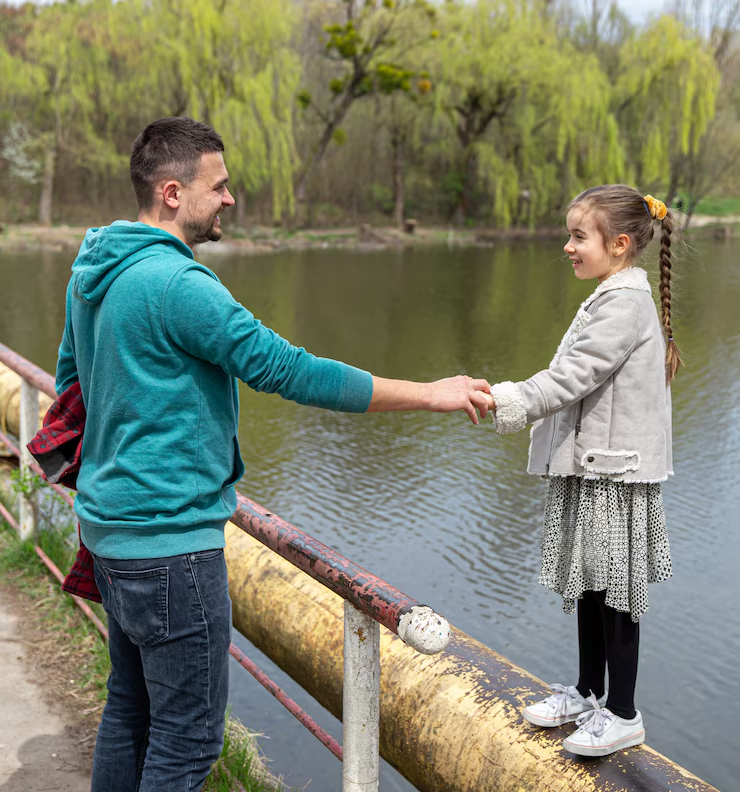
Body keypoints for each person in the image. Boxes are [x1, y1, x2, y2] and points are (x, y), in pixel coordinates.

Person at [54, 116, 492, 792]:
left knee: (130, 711)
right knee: (187, 743)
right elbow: (292, 371)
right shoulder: (180, 286)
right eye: (219, 187)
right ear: (172, 193)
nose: (230, 198)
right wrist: (432, 393)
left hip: (110, 533)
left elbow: (69, 385)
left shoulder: (94, 271)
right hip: (171, 548)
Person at [485, 185, 676, 757]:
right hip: (594, 469)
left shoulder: (624, 304)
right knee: (592, 584)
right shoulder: (607, 295)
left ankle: (624, 713)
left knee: (616, 591)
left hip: (617, 475)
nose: (567, 246)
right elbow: (572, 371)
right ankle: (591, 694)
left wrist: (507, 399)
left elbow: (573, 376)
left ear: (619, 244)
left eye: (577, 236)